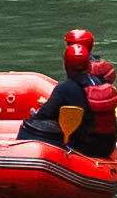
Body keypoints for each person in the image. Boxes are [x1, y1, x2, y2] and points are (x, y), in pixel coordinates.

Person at [17, 29, 111, 157]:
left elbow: (42, 116)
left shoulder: (64, 88)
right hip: (100, 143)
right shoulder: (98, 81)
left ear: (66, 64)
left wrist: (41, 110)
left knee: (30, 125)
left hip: (79, 145)